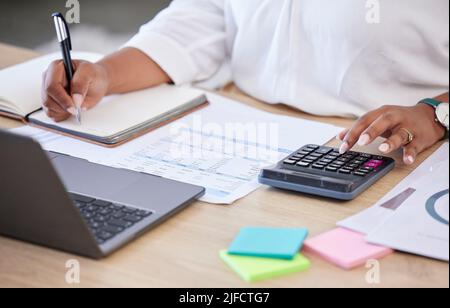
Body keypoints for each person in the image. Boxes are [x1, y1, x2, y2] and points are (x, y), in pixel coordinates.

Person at [42, 0, 449, 165]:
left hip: (396, 152)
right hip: (251, 141)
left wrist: (436, 113)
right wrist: (105, 74)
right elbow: (200, 23)